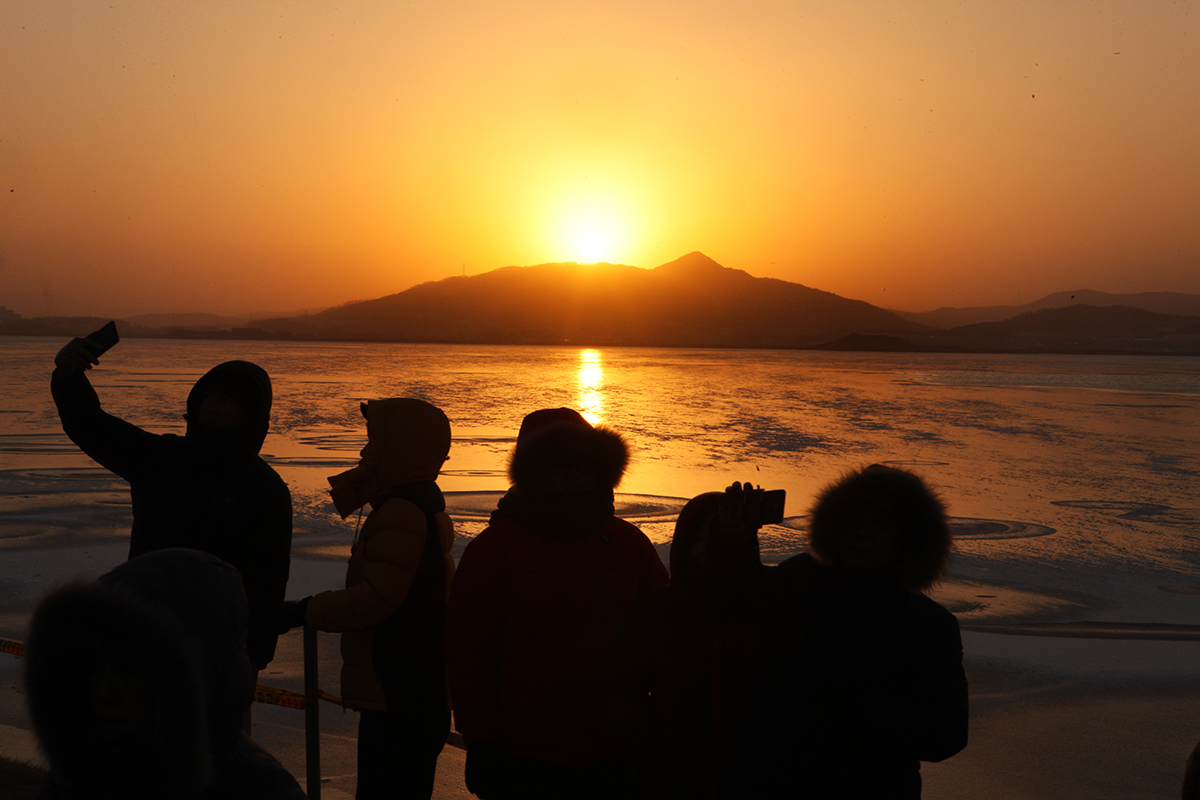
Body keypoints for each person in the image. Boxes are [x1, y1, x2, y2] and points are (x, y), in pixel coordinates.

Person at [446, 408, 670, 800]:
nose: (575, 473)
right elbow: (469, 653)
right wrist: (481, 742)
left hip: (614, 753)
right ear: (535, 472)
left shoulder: (630, 545)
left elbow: (666, 637)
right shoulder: (496, 550)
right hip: (523, 756)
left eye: (585, 464)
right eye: (560, 464)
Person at [50, 334, 292, 672]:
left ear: (249, 415)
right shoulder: (162, 458)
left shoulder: (264, 489)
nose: (212, 406)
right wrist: (68, 377)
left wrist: (256, 657)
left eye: (225, 400)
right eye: (208, 397)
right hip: (143, 635)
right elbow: (91, 425)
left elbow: (268, 581)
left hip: (215, 649)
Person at [739, 463, 968, 799]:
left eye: (880, 525)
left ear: (909, 541)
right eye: (854, 520)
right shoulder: (799, 583)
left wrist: (862, 707)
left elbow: (948, 732)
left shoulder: (930, 626)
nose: (862, 533)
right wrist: (738, 540)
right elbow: (730, 602)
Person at [278, 398, 455, 800]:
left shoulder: (403, 512)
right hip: (411, 692)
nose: (364, 451)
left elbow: (374, 600)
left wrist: (303, 610)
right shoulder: (416, 505)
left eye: (375, 442)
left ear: (400, 450)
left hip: (399, 694)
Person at [24, 548, 305, 800]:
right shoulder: (81, 775)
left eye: (128, 671)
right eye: (95, 670)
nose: (104, 692)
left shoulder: (260, 791)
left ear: (183, 680)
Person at [607, 484, 773, 800]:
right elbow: (622, 689)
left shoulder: (769, 608)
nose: (714, 546)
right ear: (686, 545)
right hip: (669, 779)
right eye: (705, 538)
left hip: (753, 777)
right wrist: (646, 747)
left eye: (725, 535)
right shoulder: (655, 611)